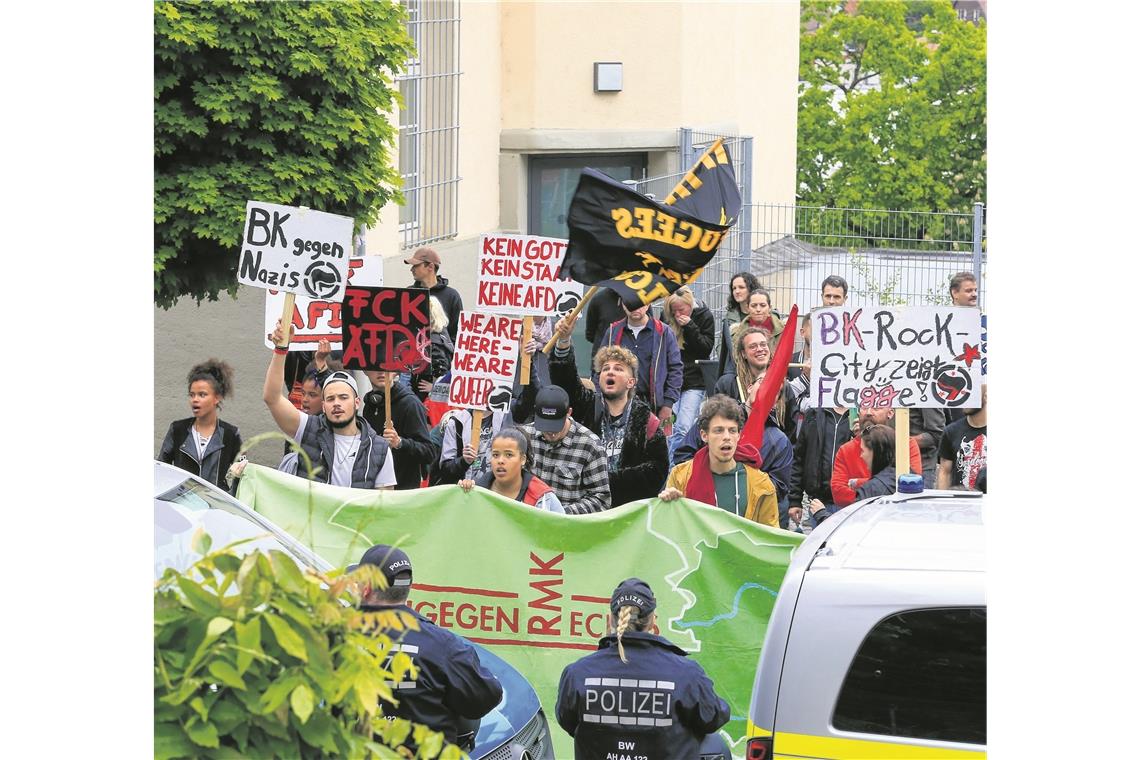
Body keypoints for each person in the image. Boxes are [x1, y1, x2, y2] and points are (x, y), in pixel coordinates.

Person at [556, 578, 730, 760]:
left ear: (610, 620)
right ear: (653, 622)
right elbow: (712, 718)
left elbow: (567, 721)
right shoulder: (687, 675)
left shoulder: (577, 674)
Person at [352, 545, 503, 751]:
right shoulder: (442, 645)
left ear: (366, 587)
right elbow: (484, 698)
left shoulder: (333, 638)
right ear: (407, 588)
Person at [262, 321, 396, 489]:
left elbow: (384, 502)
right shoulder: (308, 429)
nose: (337, 403)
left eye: (343, 397)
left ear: (356, 403)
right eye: (331, 399)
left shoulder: (379, 448)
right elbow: (272, 398)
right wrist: (281, 349)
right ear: (324, 406)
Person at [550, 318, 669, 505]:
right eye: (605, 369)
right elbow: (566, 381)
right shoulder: (587, 407)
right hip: (585, 510)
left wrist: (603, 481)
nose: (610, 372)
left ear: (631, 382)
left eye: (618, 369)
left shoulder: (648, 422)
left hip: (626, 514)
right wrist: (564, 340)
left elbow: (656, 472)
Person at [658, 395, 779, 527]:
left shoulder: (761, 484)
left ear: (739, 435)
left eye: (732, 431)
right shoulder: (680, 476)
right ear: (704, 435)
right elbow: (670, 529)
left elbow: (771, 536)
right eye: (719, 431)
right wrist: (670, 506)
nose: (726, 437)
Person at [593, 298, 683, 436]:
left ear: (648, 304)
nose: (636, 307)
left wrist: (667, 405)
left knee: (655, 450)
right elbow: (599, 369)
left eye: (640, 304)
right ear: (623, 305)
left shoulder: (664, 332)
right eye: (631, 303)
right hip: (617, 405)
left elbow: (675, 370)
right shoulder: (612, 331)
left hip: (654, 406)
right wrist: (600, 399)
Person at [517, 385, 612, 514]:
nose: (550, 432)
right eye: (545, 424)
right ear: (536, 413)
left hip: (567, 525)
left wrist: (560, 513)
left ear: (569, 413)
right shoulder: (523, 437)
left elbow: (601, 500)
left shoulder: (590, 445)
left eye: (556, 424)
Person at [159, 359, 242, 491]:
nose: (195, 399)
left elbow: (242, 477)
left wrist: (228, 500)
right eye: (192, 395)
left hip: (215, 507)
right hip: (181, 504)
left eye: (202, 394)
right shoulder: (178, 430)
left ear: (217, 397)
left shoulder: (230, 434)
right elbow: (161, 468)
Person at [661, 286, 716, 464]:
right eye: (674, 310)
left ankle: (674, 468)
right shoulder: (666, 319)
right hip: (671, 382)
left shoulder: (704, 316)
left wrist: (690, 326)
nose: (677, 313)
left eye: (681, 309)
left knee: (683, 426)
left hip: (694, 381)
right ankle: (668, 467)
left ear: (690, 305)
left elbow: (705, 347)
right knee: (667, 428)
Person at [830, 406, 923, 508]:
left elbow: (911, 485)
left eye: (876, 408)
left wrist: (857, 483)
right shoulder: (846, 449)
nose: (868, 412)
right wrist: (885, 488)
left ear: (890, 413)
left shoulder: (906, 444)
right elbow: (839, 495)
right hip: (856, 516)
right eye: (864, 407)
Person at [360, 369, 438, 490]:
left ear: (396, 371)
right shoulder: (369, 405)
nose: (382, 373)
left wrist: (400, 442)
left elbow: (429, 452)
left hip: (403, 493)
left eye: (387, 367)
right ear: (365, 371)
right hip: (375, 489)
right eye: (376, 367)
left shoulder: (410, 404)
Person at [458, 428, 565, 513]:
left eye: (509, 455)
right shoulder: (474, 490)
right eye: (495, 455)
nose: (500, 461)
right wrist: (462, 494)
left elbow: (562, 531)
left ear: (523, 459)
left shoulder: (543, 498)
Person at [788, 402, 853, 526]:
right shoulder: (814, 414)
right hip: (819, 502)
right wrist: (795, 500)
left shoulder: (861, 415)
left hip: (849, 503)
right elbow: (800, 457)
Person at [432, 408, 510, 486]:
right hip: (464, 491)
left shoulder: (506, 418)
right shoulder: (457, 422)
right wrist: (464, 461)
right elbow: (445, 471)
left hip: (495, 490)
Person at [405, 246, 463, 344]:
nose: (412, 269)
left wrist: (447, 355)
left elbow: (457, 333)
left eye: (416, 265)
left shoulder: (452, 296)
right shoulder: (407, 294)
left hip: (443, 357)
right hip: (412, 356)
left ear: (430, 267)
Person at [723, 288, 784, 378]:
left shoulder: (784, 331)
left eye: (763, 305)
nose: (758, 309)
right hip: (744, 378)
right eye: (754, 305)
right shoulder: (735, 333)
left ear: (770, 307)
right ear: (747, 308)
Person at [937, 384, 987, 491]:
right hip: (960, 502)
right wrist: (942, 502)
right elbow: (945, 472)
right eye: (963, 394)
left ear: (986, 397)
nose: (965, 399)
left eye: (971, 395)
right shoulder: (951, 431)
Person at [410, 296, 455, 402]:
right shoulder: (442, 334)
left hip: (426, 397)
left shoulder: (433, 341)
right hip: (430, 395)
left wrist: (434, 387)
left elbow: (442, 370)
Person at [718, 271, 762, 376]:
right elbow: (721, 346)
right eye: (734, 288)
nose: (737, 291)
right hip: (735, 369)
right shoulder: (729, 317)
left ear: (751, 289)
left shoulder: (763, 314)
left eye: (741, 287)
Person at [852, 424, 897, 499]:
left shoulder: (870, 491)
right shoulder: (915, 480)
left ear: (875, 452)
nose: (861, 456)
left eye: (863, 451)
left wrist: (824, 510)